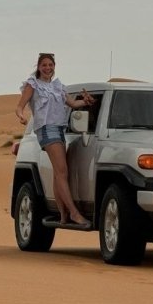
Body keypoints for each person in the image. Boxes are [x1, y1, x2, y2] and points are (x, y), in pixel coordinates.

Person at [15, 53, 95, 228]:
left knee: (58, 173)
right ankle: (74, 213)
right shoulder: (33, 84)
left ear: (54, 66)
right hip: (46, 129)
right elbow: (20, 106)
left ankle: (63, 214)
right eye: (44, 65)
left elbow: (73, 104)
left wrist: (86, 101)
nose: (47, 68)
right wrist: (21, 116)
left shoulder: (58, 86)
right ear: (38, 67)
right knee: (62, 171)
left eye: (50, 65)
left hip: (60, 129)